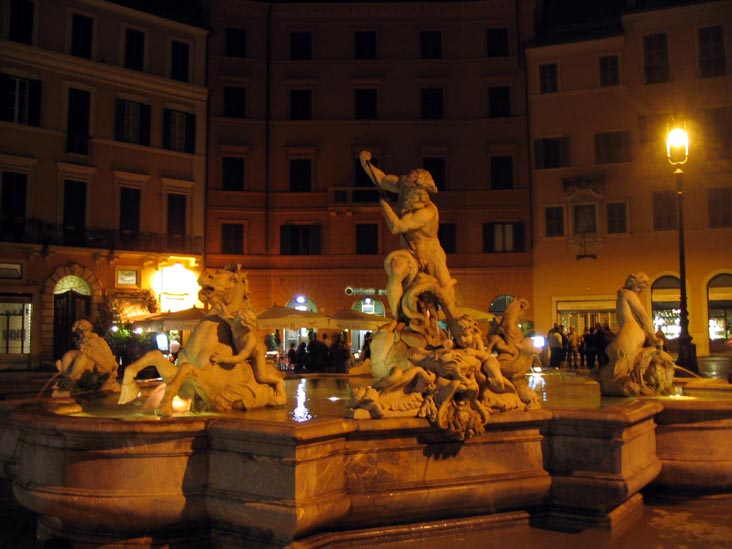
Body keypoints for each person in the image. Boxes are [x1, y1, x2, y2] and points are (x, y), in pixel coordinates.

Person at [359, 150, 456, 319]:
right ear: (410, 188)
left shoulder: (427, 212)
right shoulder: (403, 185)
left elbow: (396, 227)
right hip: (410, 252)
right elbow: (381, 179)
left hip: (431, 255)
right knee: (396, 272)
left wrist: (385, 207)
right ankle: (399, 318)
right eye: (419, 193)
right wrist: (365, 163)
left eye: (425, 194)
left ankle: (457, 328)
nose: (423, 198)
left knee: (447, 295)